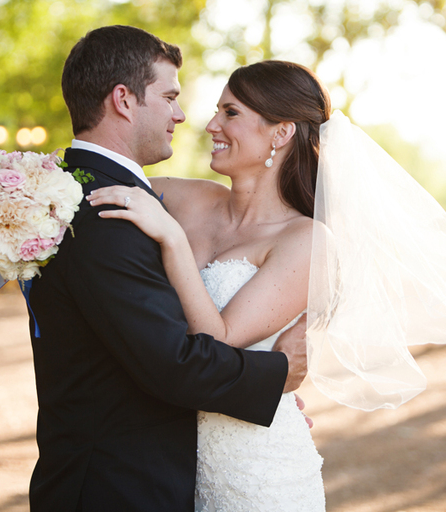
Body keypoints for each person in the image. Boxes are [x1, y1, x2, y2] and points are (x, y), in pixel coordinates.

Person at [25, 26, 309, 512]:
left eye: (230, 112)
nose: (194, 119)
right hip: (126, 475)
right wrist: (277, 375)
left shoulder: (103, 200)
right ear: (123, 100)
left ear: (282, 133)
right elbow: (178, 364)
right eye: (171, 96)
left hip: (234, 462)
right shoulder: (122, 206)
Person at [89, 60, 330, 511]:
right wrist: (13, 192)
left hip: (256, 471)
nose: (210, 124)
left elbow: (217, 341)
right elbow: (90, 181)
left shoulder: (305, 240)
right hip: (170, 457)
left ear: (281, 133)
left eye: (231, 113)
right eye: (217, 110)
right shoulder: (189, 198)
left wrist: (172, 239)